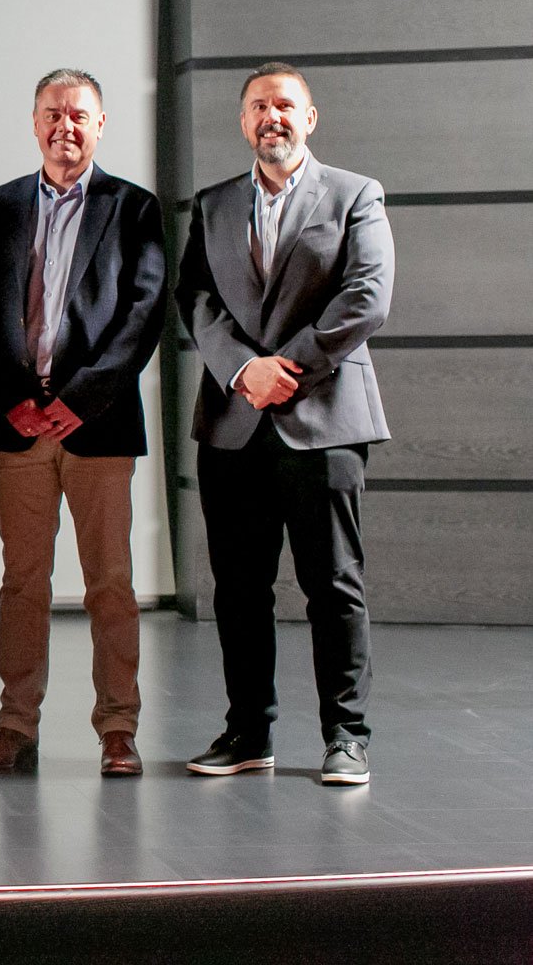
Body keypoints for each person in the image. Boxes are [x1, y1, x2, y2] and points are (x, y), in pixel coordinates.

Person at [177, 62, 392, 786]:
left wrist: (284, 367)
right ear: (243, 122)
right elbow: (196, 301)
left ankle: (347, 738)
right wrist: (244, 370)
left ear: (310, 118)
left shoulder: (356, 194)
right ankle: (247, 735)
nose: (273, 116)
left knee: (333, 583)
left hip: (324, 418)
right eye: (259, 106)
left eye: (286, 105)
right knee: (238, 589)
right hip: (234, 421)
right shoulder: (212, 204)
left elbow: (366, 297)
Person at [0, 68, 166, 778]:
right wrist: (14, 393)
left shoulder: (133, 207)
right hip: (18, 423)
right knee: (23, 581)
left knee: (109, 581)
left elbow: (143, 315)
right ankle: (16, 726)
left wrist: (84, 396)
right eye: (52, 113)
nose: (64, 126)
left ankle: (118, 728)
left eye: (79, 115)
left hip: (98, 424)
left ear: (100, 124)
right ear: (35, 121)